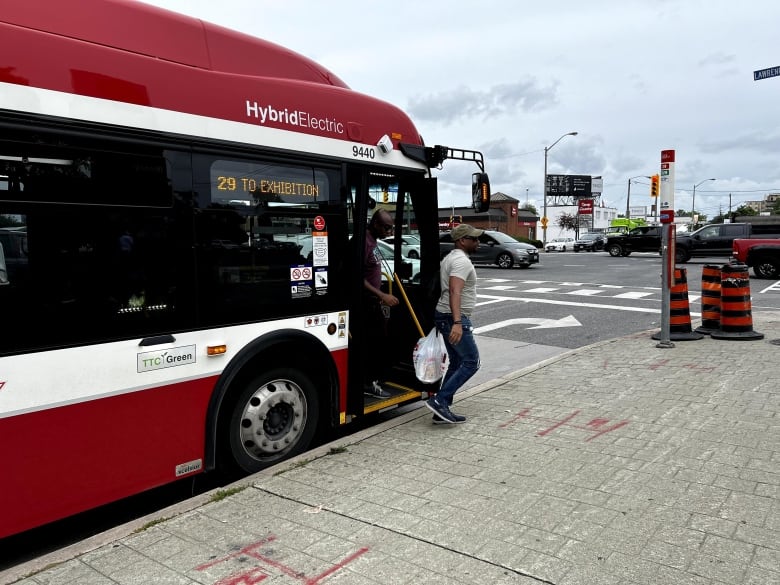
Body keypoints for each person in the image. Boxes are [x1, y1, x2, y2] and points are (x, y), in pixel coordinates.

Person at [425, 223, 482, 424]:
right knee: (471, 362)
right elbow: (454, 291)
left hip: (446, 315)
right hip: (452, 317)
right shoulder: (461, 262)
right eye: (473, 238)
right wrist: (458, 322)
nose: (478, 241)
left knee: (457, 362)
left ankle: (441, 409)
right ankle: (439, 401)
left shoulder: (450, 257)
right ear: (461, 241)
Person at [361, 209, 400, 398]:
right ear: (375, 224)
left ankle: (372, 379)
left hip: (373, 301)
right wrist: (382, 295)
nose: (389, 232)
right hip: (365, 303)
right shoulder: (363, 243)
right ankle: (368, 383)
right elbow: (357, 278)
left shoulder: (373, 241)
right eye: (386, 228)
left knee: (380, 341)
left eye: (391, 228)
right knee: (374, 343)